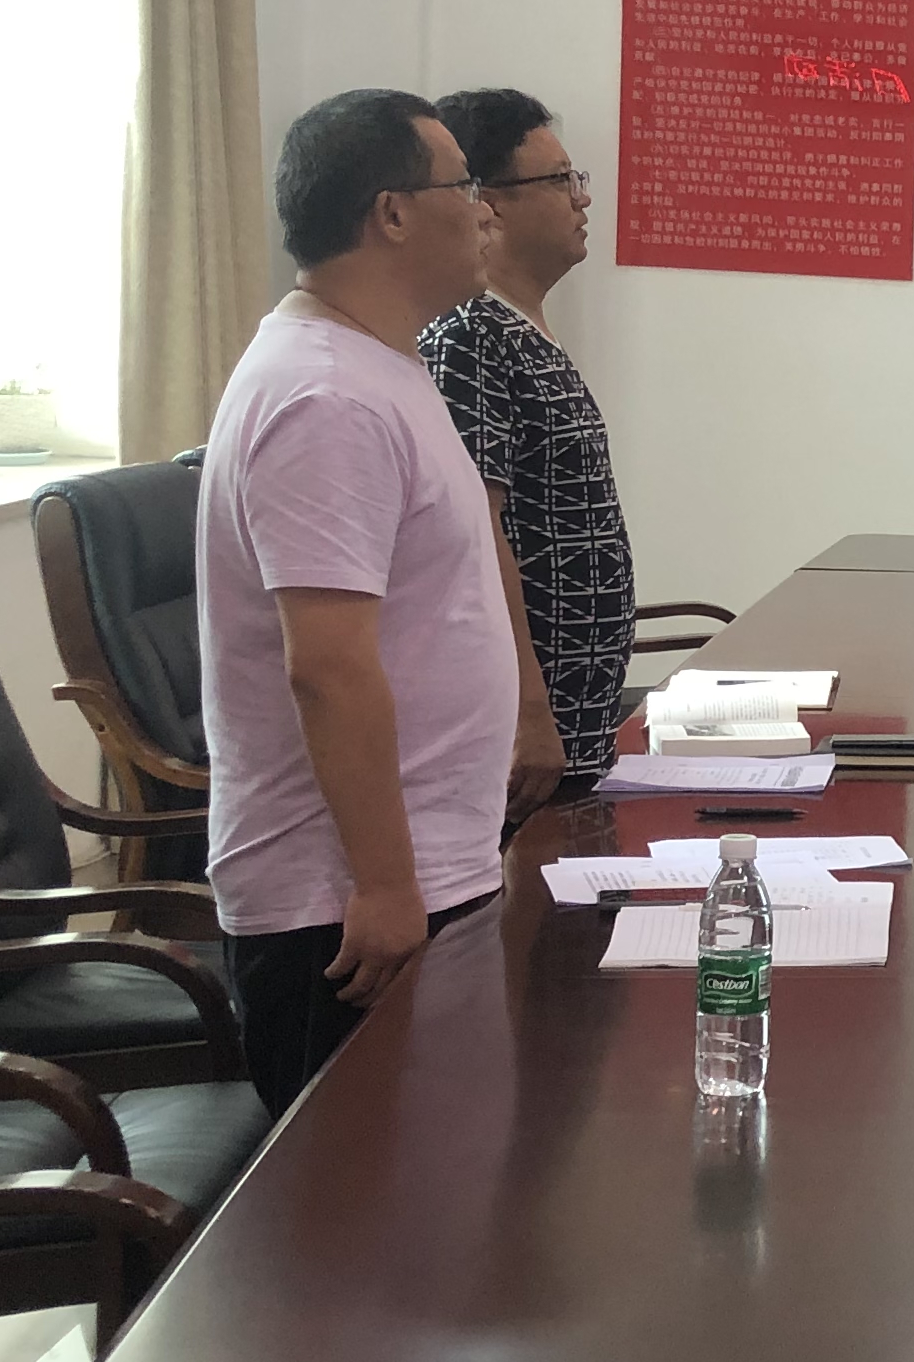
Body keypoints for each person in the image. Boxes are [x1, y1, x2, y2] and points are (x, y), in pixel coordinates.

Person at [200, 90, 559, 1115]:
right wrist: (389, 884)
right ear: (392, 213)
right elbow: (328, 663)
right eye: (463, 186)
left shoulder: (378, 363)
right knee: (365, 1200)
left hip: (415, 866)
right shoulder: (325, 397)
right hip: (345, 905)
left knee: (442, 1177)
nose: (484, 210)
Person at [421, 87, 639, 789]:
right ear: (489, 201)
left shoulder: (522, 327)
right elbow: (478, 533)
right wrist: (528, 708)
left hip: (581, 711)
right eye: (560, 180)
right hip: (528, 723)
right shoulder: (470, 335)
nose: (583, 198)